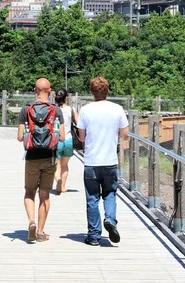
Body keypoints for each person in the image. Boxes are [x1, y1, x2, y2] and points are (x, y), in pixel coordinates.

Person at [77, 76, 129, 246]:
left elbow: (82, 137)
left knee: (92, 198)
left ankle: (93, 236)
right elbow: (125, 134)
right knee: (110, 193)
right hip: (110, 160)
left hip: (91, 161)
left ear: (92, 91)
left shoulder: (85, 110)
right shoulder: (117, 109)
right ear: (108, 90)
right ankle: (111, 220)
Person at [17, 78, 65, 243]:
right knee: (44, 195)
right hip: (50, 157)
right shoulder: (56, 110)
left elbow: (19, 137)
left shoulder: (26, 110)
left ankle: (31, 222)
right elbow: (63, 137)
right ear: (49, 91)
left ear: (34, 91)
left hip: (31, 157)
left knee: (29, 192)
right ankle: (40, 232)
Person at [54, 89, 78, 194]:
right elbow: (78, 123)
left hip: (57, 140)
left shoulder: (53, 110)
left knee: (56, 165)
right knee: (65, 165)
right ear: (66, 97)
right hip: (68, 139)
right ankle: (63, 186)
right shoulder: (71, 109)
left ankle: (58, 182)